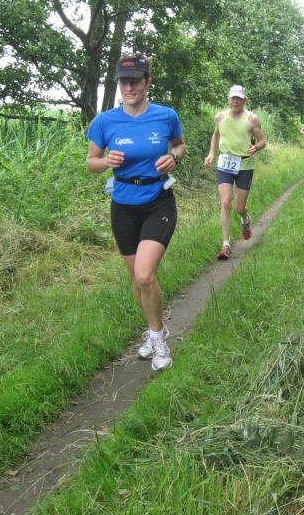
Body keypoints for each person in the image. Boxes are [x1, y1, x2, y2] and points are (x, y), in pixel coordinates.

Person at [86, 53, 185, 371]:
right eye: (124, 82)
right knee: (137, 280)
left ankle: (158, 337)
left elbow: (180, 145)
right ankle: (155, 330)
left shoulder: (166, 116)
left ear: (147, 82)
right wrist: (106, 162)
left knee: (144, 274)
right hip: (123, 206)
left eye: (135, 81)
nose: (129, 88)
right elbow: (91, 163)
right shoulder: (105, 122)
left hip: (158, 200)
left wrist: (174, 157)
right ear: (119, 84)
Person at [204, 84, 266, 260]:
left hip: (244, 165)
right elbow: (216, 135)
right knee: (225, 203)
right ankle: (226, 245)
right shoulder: (220, 117)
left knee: (239, 207)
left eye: (239, 98)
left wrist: (256, 147)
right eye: (233, 98)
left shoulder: (252, 119)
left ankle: (245, 218)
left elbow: (262, 141)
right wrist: (211, 153)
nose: (236, 101)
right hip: (225, 164)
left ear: (245, 100)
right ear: (228, 99)